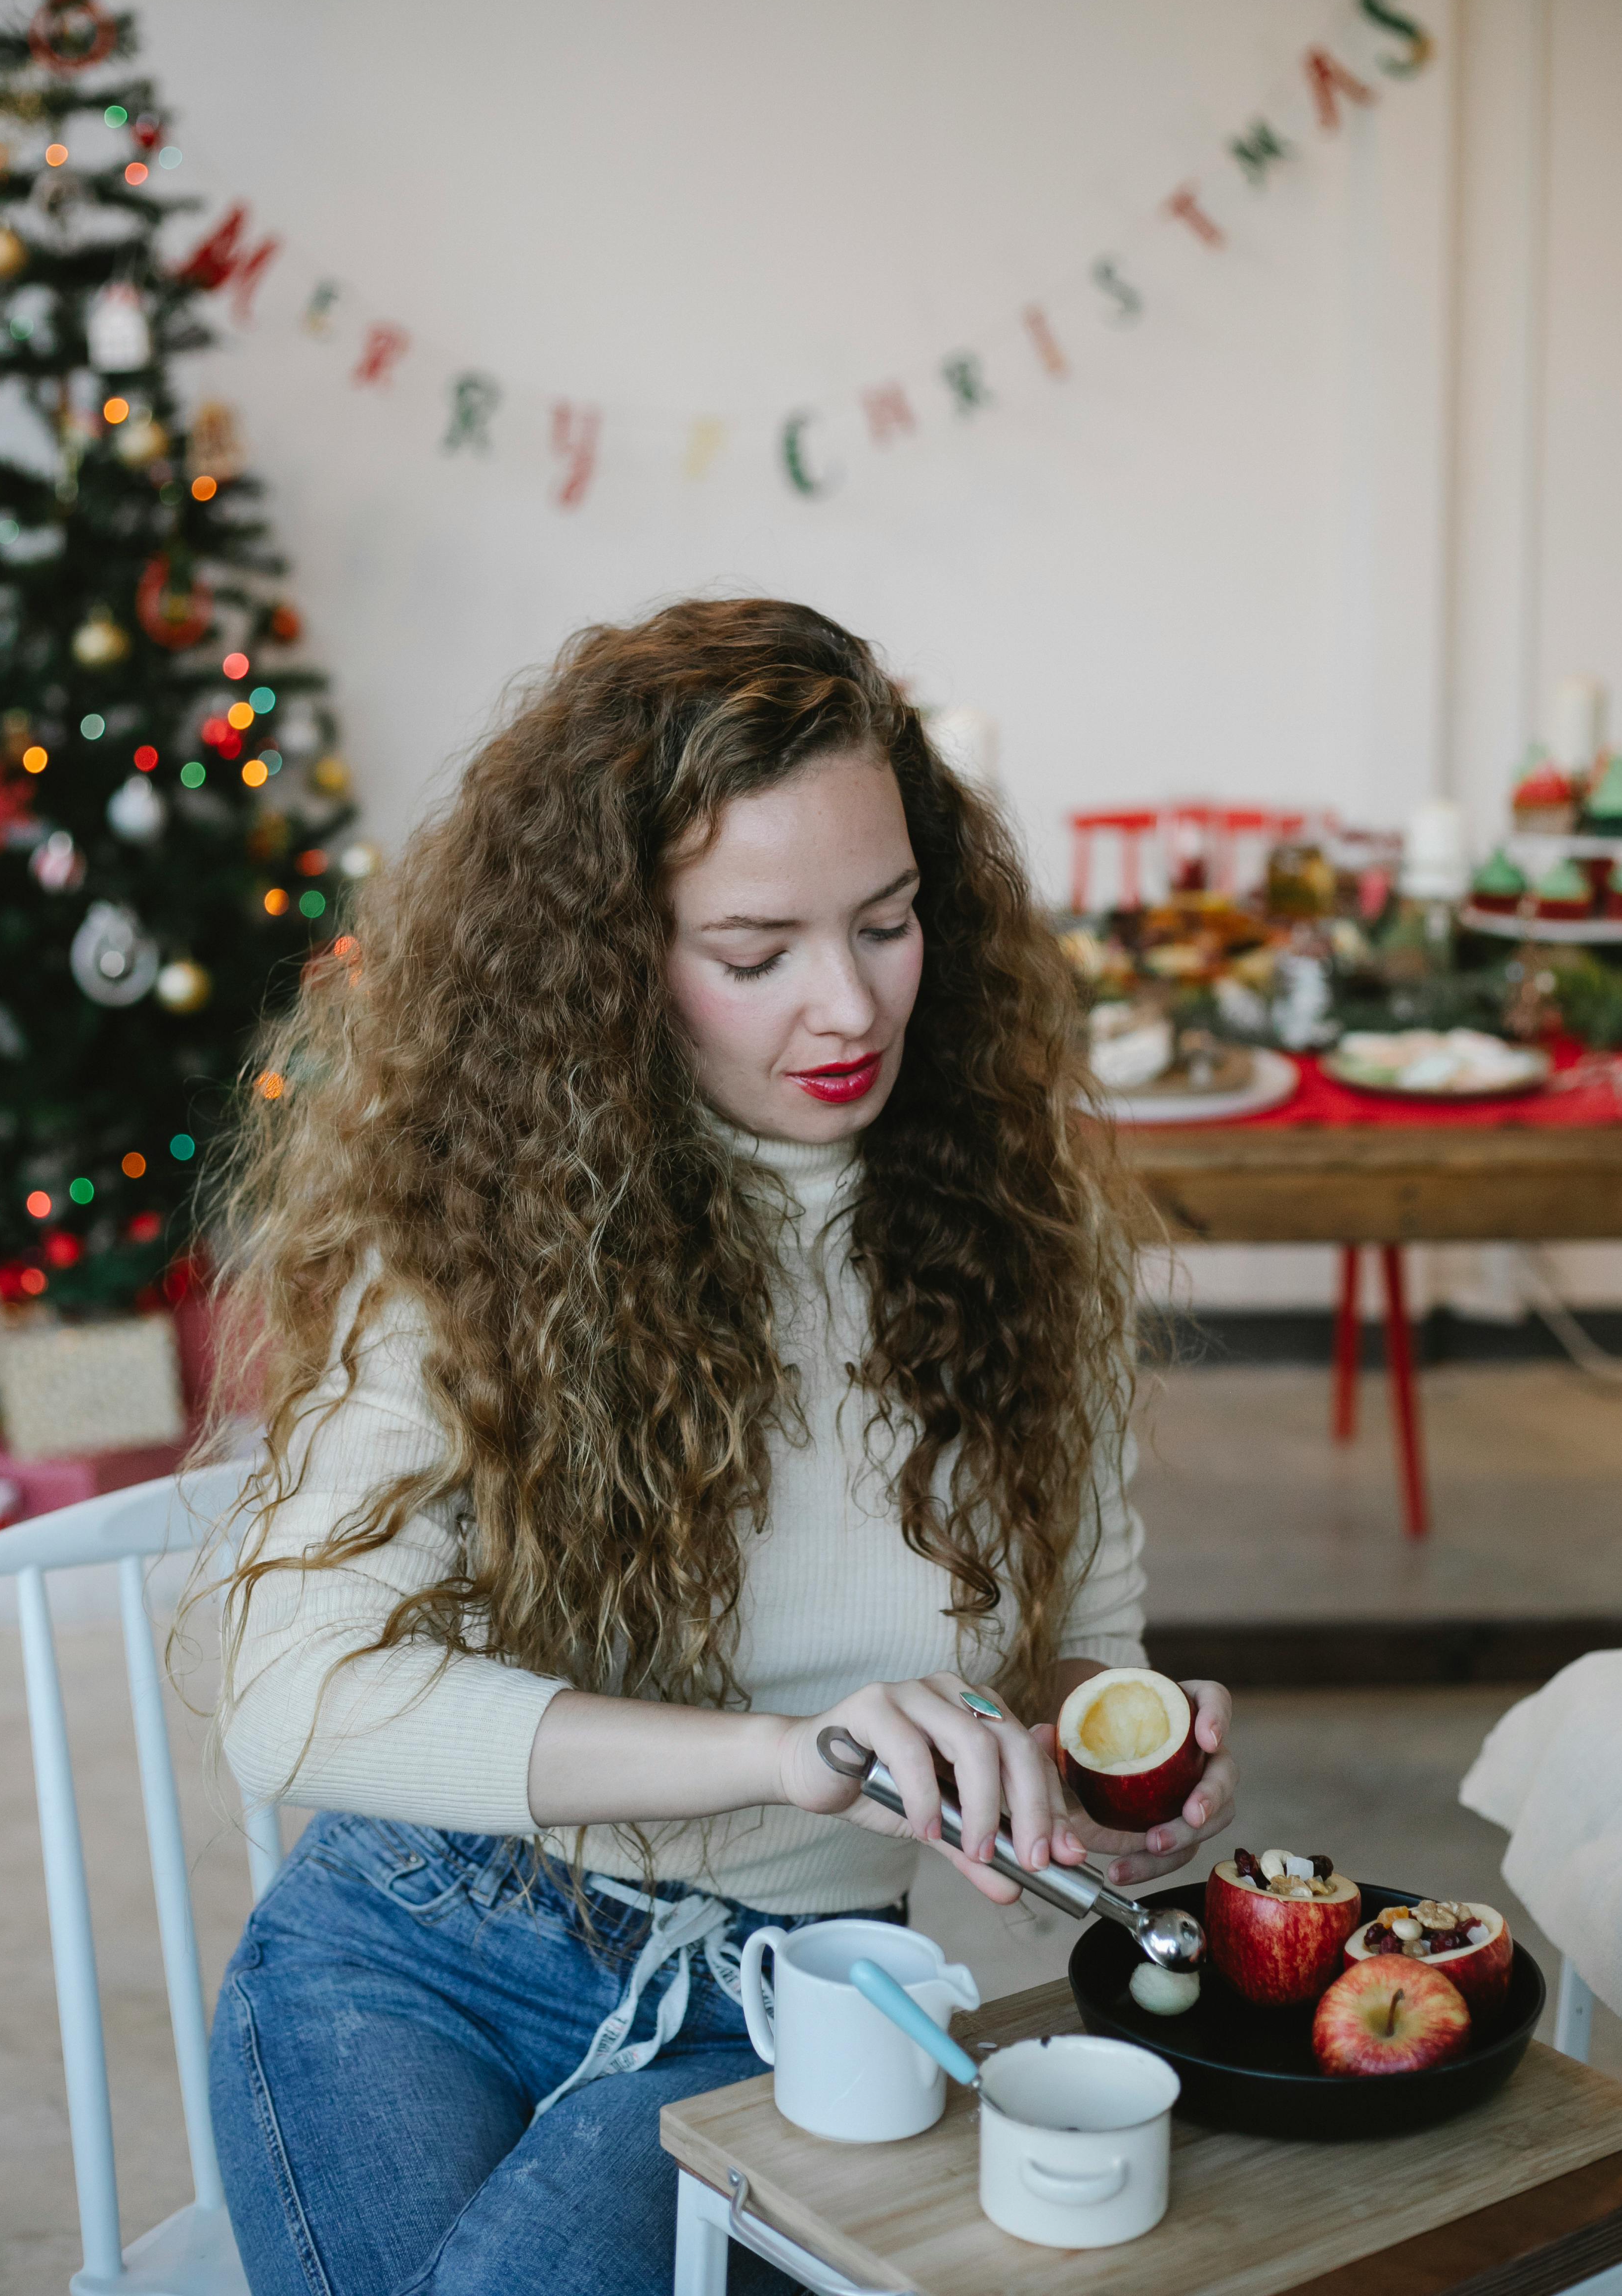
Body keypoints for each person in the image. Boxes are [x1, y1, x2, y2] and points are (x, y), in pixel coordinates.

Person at [203, 598, 1235, 2296]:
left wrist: (1107, 1776)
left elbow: (1077, 1653)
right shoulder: (479, 1245)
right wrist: (781, 1755)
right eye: (756, 956)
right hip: (419, 1942)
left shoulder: (1031, 1256)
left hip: (796, 2003)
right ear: (613, 965)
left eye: (890, 924)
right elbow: (286, 1693)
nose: (848, 1006)